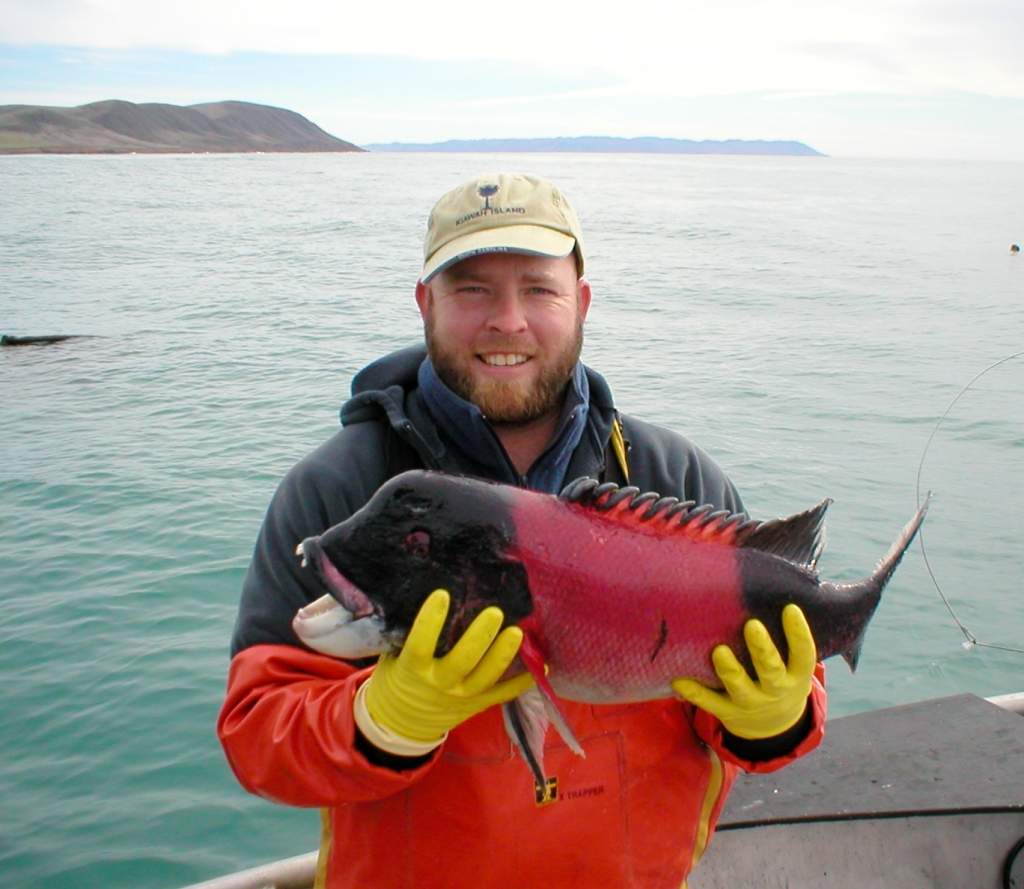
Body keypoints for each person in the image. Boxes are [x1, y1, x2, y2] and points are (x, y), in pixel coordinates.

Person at [218, 172, 827, 889]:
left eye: (539, 288)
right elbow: (260, 735)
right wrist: (380, 719)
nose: (507, 320)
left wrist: (775, 716)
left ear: (582, 301)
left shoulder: (675, 478)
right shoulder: (340, 490)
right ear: (425, 304)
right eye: (471, 288)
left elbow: (780, 701)